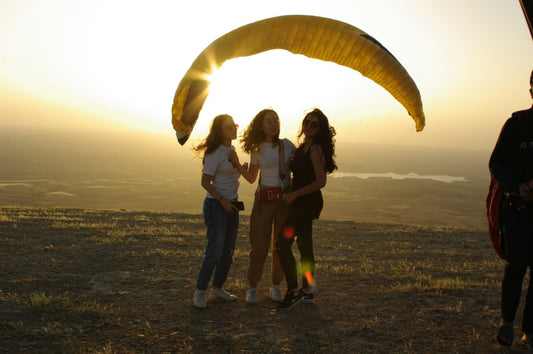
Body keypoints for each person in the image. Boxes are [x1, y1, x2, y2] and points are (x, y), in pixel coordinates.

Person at [230, 109, 296, 304]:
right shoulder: (257, 147)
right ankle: (253, 286)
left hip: (284, 200)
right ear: (261, 125)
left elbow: (302, 162)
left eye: (276, 119)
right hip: (264, 200)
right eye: (269, 120)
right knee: (259, 245)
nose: (273, 123)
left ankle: (276, 285)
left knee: (281, 245)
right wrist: (237, 164)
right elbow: (252, 178)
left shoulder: (287, 145)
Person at [275, 108, 338, 310]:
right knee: (305, 246)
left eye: (314, 124)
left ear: (320, 129)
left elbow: (321, 181)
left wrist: (294, 194)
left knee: (282, 245)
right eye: (307, 122)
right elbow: (302, 175)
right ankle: (308, 290)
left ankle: (294, 292)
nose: (309, 126)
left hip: (307, 202)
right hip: (301, 200)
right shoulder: (303, 147)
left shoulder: (315, 149)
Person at [490, 70, 533, 346]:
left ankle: (530, 329)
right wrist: (518, 187)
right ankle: (507, 323)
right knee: (516, 268)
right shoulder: (516, 124)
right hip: (518, 211)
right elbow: (495, 165)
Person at [191, 114, 242, 309]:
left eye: (235, 125)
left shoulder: (231, 150)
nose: (234, 130)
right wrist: (221, 200)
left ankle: (218, 288)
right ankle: (200, 291)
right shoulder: (214, 153)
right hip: (216, 206)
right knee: (214, 251)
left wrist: (239, 166)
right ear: (220, 131)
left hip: (232, 204)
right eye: (229, 127)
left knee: (228, 251)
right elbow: (205, 182)